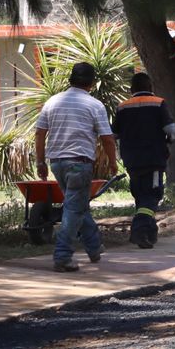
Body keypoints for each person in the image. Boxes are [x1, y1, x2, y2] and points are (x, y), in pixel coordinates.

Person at [34, 61, 117, 272]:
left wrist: (40, 162)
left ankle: (94, 246)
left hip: (57, 164)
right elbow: (107, 138)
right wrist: (113, 163)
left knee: (77, 206)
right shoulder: (94, 105)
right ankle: (62, 255)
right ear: (92, 83)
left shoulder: (52, 101)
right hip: (79, 164)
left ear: (70, 79)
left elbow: (40, 133)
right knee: (73, 209)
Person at [112, 72, 175, 249]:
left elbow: (114, 134)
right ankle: (139, 230)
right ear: (150, 87)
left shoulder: (122, 107)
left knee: (140, 194)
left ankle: (149, 232)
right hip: (154, 158)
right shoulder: (159, 103)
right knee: (152, 196)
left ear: (132, 89)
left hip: (132, 160)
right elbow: (171, 130)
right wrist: (168, 141)